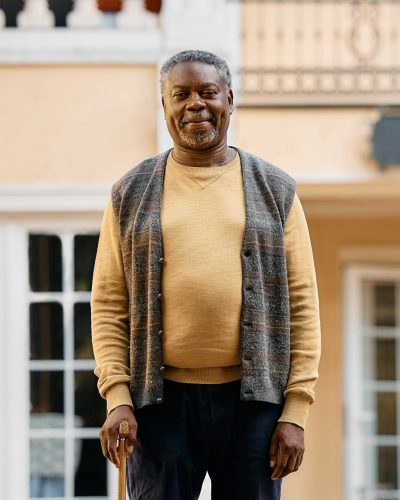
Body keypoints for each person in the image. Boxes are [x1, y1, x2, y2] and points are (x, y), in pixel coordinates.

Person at [91, 49, 321, 500]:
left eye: (207, 92)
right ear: (165, 107)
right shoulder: (130, 193)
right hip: (158, 402)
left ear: (229, 100)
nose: (194, 103)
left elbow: (302, 303)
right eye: (181, 94)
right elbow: (109, 303)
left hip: (255, 405)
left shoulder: (276, 191)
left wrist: (295, 411)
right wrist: (118, 398)